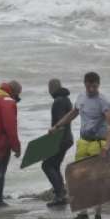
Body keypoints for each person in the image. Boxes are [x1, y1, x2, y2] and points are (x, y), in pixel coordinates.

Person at [50, 71, 110, 219]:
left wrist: (107, 146)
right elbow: (73, 114)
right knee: (79, 179)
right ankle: (83, 215)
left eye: (94, 86)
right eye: (89, 86)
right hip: (83, 142)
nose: (92, 89)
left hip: (98, 143)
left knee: (96, 181)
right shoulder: (81, 98)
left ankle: (98, 216)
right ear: (85, 84)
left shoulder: (104, 102)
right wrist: (57, 126)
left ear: (98, 85)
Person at [43, 78, 73, 207]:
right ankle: (61, 193)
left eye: (49, 88)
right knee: (54, 166)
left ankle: (60, 195)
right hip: (67, 138)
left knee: (47, 165)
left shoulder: (58, 101)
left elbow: (61, 123)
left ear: (51, 89)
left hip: (60, 139)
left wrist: (52, 138)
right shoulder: (66, 99)